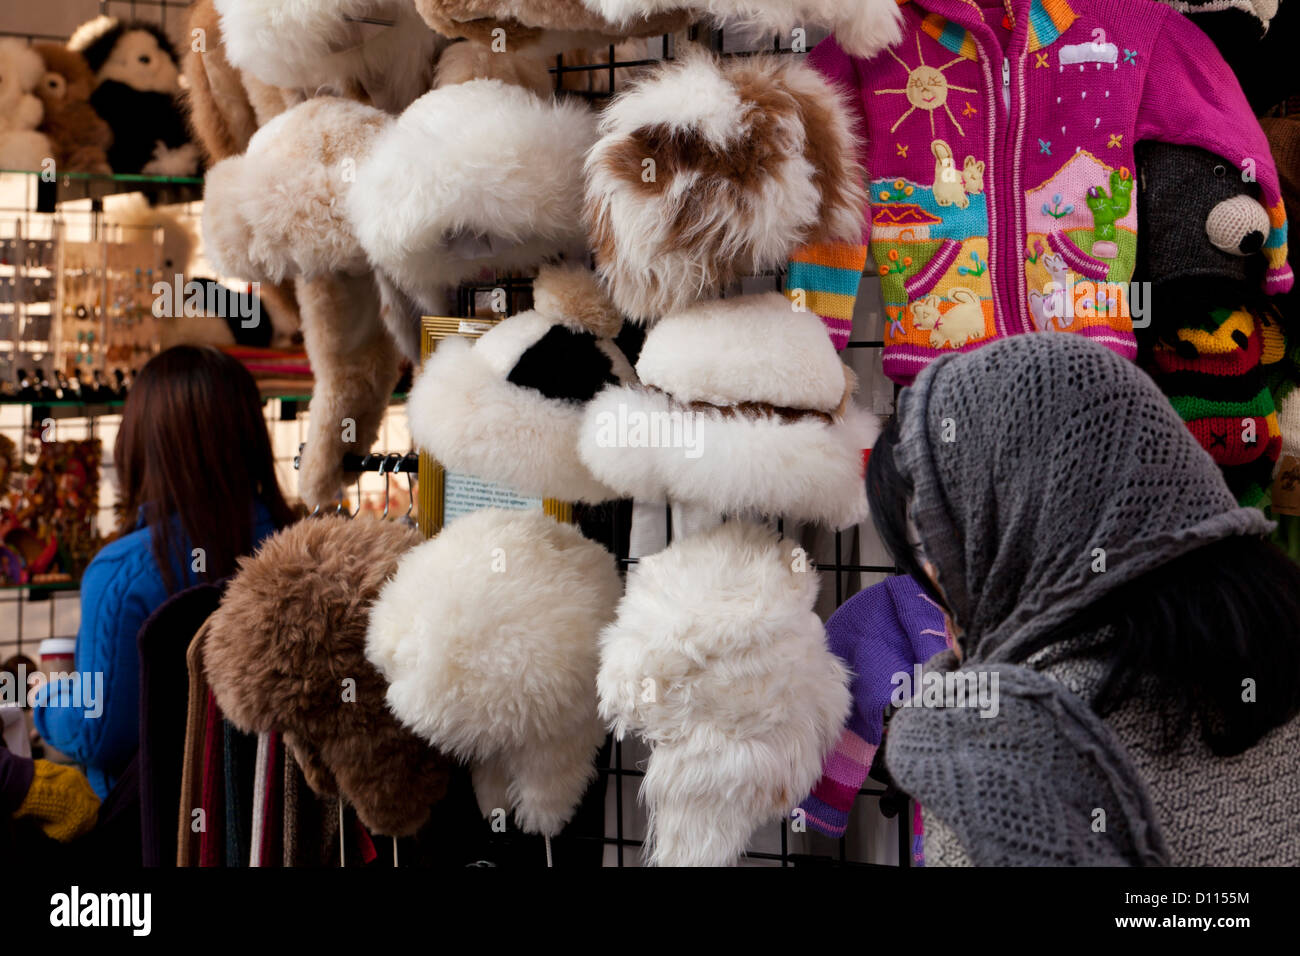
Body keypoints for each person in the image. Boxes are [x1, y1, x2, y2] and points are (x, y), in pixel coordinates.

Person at [868, 333, 1300, 866]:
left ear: (1017, 514)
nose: (933, 571)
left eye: (938, 532)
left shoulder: (994, 763)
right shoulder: (1273, 643)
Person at [34, 347, 295, 800]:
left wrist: (43, 700)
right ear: (251, 434)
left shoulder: (122, 576)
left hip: (149, 831)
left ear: (141, 440)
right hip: (274, 823)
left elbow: (96, 734)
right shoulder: (297, 542)